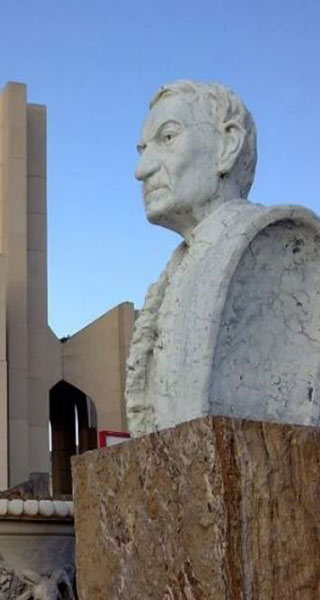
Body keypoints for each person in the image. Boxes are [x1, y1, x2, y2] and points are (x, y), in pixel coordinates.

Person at [126, 80, 320, 436]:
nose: (142, 169)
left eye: (167, 138)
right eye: (142, 150)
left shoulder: (281, 243)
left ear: (227, 146)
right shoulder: (178, 268)